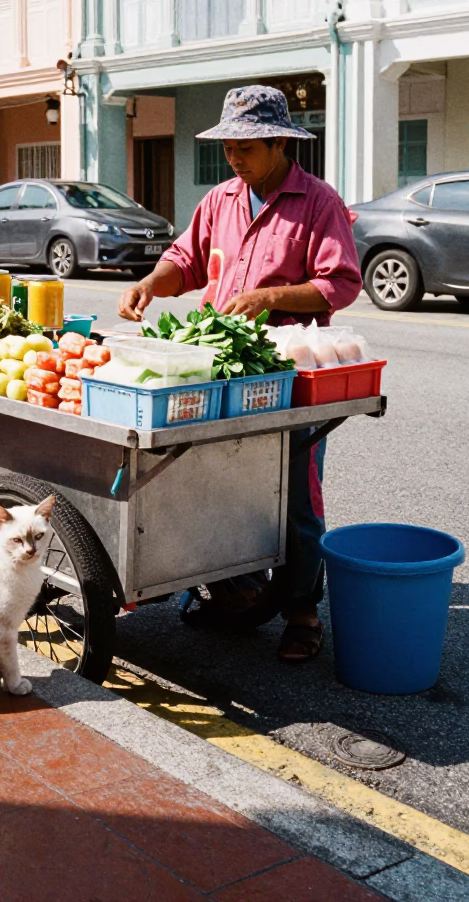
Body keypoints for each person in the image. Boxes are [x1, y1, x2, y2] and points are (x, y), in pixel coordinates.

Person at [119, 85, 362, 663]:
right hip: (221, 370)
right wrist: (152, 284)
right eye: (228, 146)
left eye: (245, 147)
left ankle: (303, 610)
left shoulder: (318, 202)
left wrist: (271, 295)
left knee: (295, 496)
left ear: (279, 143)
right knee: (217, 481)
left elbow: (341, 282)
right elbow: (187, 261)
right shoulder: (221, 199)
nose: (233, 158)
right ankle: (234, 585)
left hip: (285, 371)